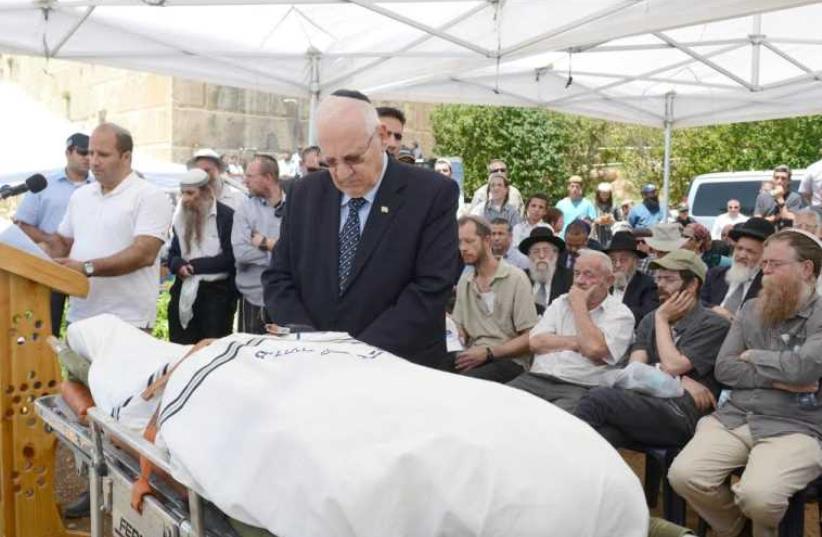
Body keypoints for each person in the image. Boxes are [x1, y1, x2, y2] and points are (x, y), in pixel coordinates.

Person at [262, 92, 459, 369]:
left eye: (353, 159)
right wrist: (312, 343)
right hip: (313, 365)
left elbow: (430, 289)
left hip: (397, 369)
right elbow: (279, 277)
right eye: (330, 162)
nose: (342, 174)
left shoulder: (432, 194)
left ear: (381, 136)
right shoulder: (304, 193)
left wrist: (354, 356)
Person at [669, 230, 822, 537]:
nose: (764, 272)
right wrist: (779, 378)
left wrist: (753, 355)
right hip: (736, 417)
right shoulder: (751, 308)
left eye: (774, 264)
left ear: (806, 269)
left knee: (759, 496)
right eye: (763, 264)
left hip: (796, 425)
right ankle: (737, 529)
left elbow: (805, 369)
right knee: (684, 475)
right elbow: (725, 368)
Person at [575, 249, 730, 448]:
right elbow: (634, 372)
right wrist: (679, 380)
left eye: (669, 279)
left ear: (692, 285)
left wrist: (663, 320)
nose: (660, 285)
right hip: (644, 403)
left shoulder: (713, 324)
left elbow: (673, 365)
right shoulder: (651, 318)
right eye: (658, 278)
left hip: (682, 413)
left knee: (597, 399)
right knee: (602, 437)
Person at [44, 122, 172, 330]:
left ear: (126, 157)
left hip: (127, 320)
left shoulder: (150, 196)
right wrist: (35, 251)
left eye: (103, 155)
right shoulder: (81, 195)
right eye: (90, 153)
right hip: (80, 316)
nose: (93, 161)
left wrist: (86, 268)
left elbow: (144, 254)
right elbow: (62, 242)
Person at [506, 249, 635, 413]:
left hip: (579, 386)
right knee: (496, 407)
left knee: (553, 425)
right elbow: (536, 342)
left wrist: (579, 306)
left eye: (589, 275)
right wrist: (580, 342)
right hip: (536, 378)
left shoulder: (620, 314)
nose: (580, 281)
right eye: (576, 273)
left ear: (609, 281)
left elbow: (595, 349)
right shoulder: (560, 303)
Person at [14, 132, 92, 335]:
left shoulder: (100, 188)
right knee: (45, 332)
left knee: (86, 336)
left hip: (89, 271)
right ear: (68, 152)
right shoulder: (44, 186)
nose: (88, 158)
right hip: (50, 267)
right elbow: (23, 225)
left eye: (91, 153)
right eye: (83, 152)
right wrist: (50, 240)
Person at [451, 216, 538, 383]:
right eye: (460, 242)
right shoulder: (465, 280)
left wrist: (489, 352)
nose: (463, 248)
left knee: (464, 383)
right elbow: (460, 329)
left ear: (487, 240)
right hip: (473, 354)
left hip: (509, 359)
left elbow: (530, 337)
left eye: (469, 241)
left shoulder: (515, 278)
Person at [166, 169, 237, 343]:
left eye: (191, 193)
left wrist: (196, 266)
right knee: (180, 351)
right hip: (183, 291)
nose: (186, 199)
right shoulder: (180, 217)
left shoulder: (227, 216)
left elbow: (231, 257)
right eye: (183, 193)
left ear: (205, 191)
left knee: (211, 353)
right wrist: (179, 265)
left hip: (215, 298)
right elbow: (173, 253)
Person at [232, 155, 285, 334]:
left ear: (268, 178)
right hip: (254, 298)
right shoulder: (245, 210)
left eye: (249, 176)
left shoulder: (296, 206)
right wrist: (280, 251)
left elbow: (303, 251)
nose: (244, 181)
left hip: (288, 297)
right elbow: (241, 252)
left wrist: (264, 243)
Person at [700, 217, 774, 322]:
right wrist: (714, 309)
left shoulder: (768, 285)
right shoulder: (715, 274)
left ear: (764, 256)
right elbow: (697, 302)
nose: (742, 255)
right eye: (739, 248)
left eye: (750, 251)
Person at [605, 231, 658, 326]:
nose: (617, 265)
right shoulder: (603, 283)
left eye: (623, 260)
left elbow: (646, 317)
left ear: (635, 261)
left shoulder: (648, 285)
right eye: (613, 259)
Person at [518, 226, 572, 314]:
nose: (541, 256)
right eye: (536, 251)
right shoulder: (520, 278)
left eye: (546, 251)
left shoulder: (569, 279)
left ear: (556, 254)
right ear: (529, 256)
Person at [754, 165, 804, 229]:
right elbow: (757, 220)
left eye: (783, 178)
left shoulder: (795, 198)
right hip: (766, 234)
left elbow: (788, 218)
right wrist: (773, 218)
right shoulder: (762, 197)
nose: (779, 181)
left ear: (789, 181)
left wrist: (779, 198)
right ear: (773, 179)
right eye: (776, 178)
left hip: (785, 234)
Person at [592, 182, 621, 247]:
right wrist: (596, 220)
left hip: (611, 238)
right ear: (598, 194)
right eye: (603, 194)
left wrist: (613, 221)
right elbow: (589, 220)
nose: (605, 196)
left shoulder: (614, 206)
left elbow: (620, 222)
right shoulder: (593, 206)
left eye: (607, 194)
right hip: (597, 238)